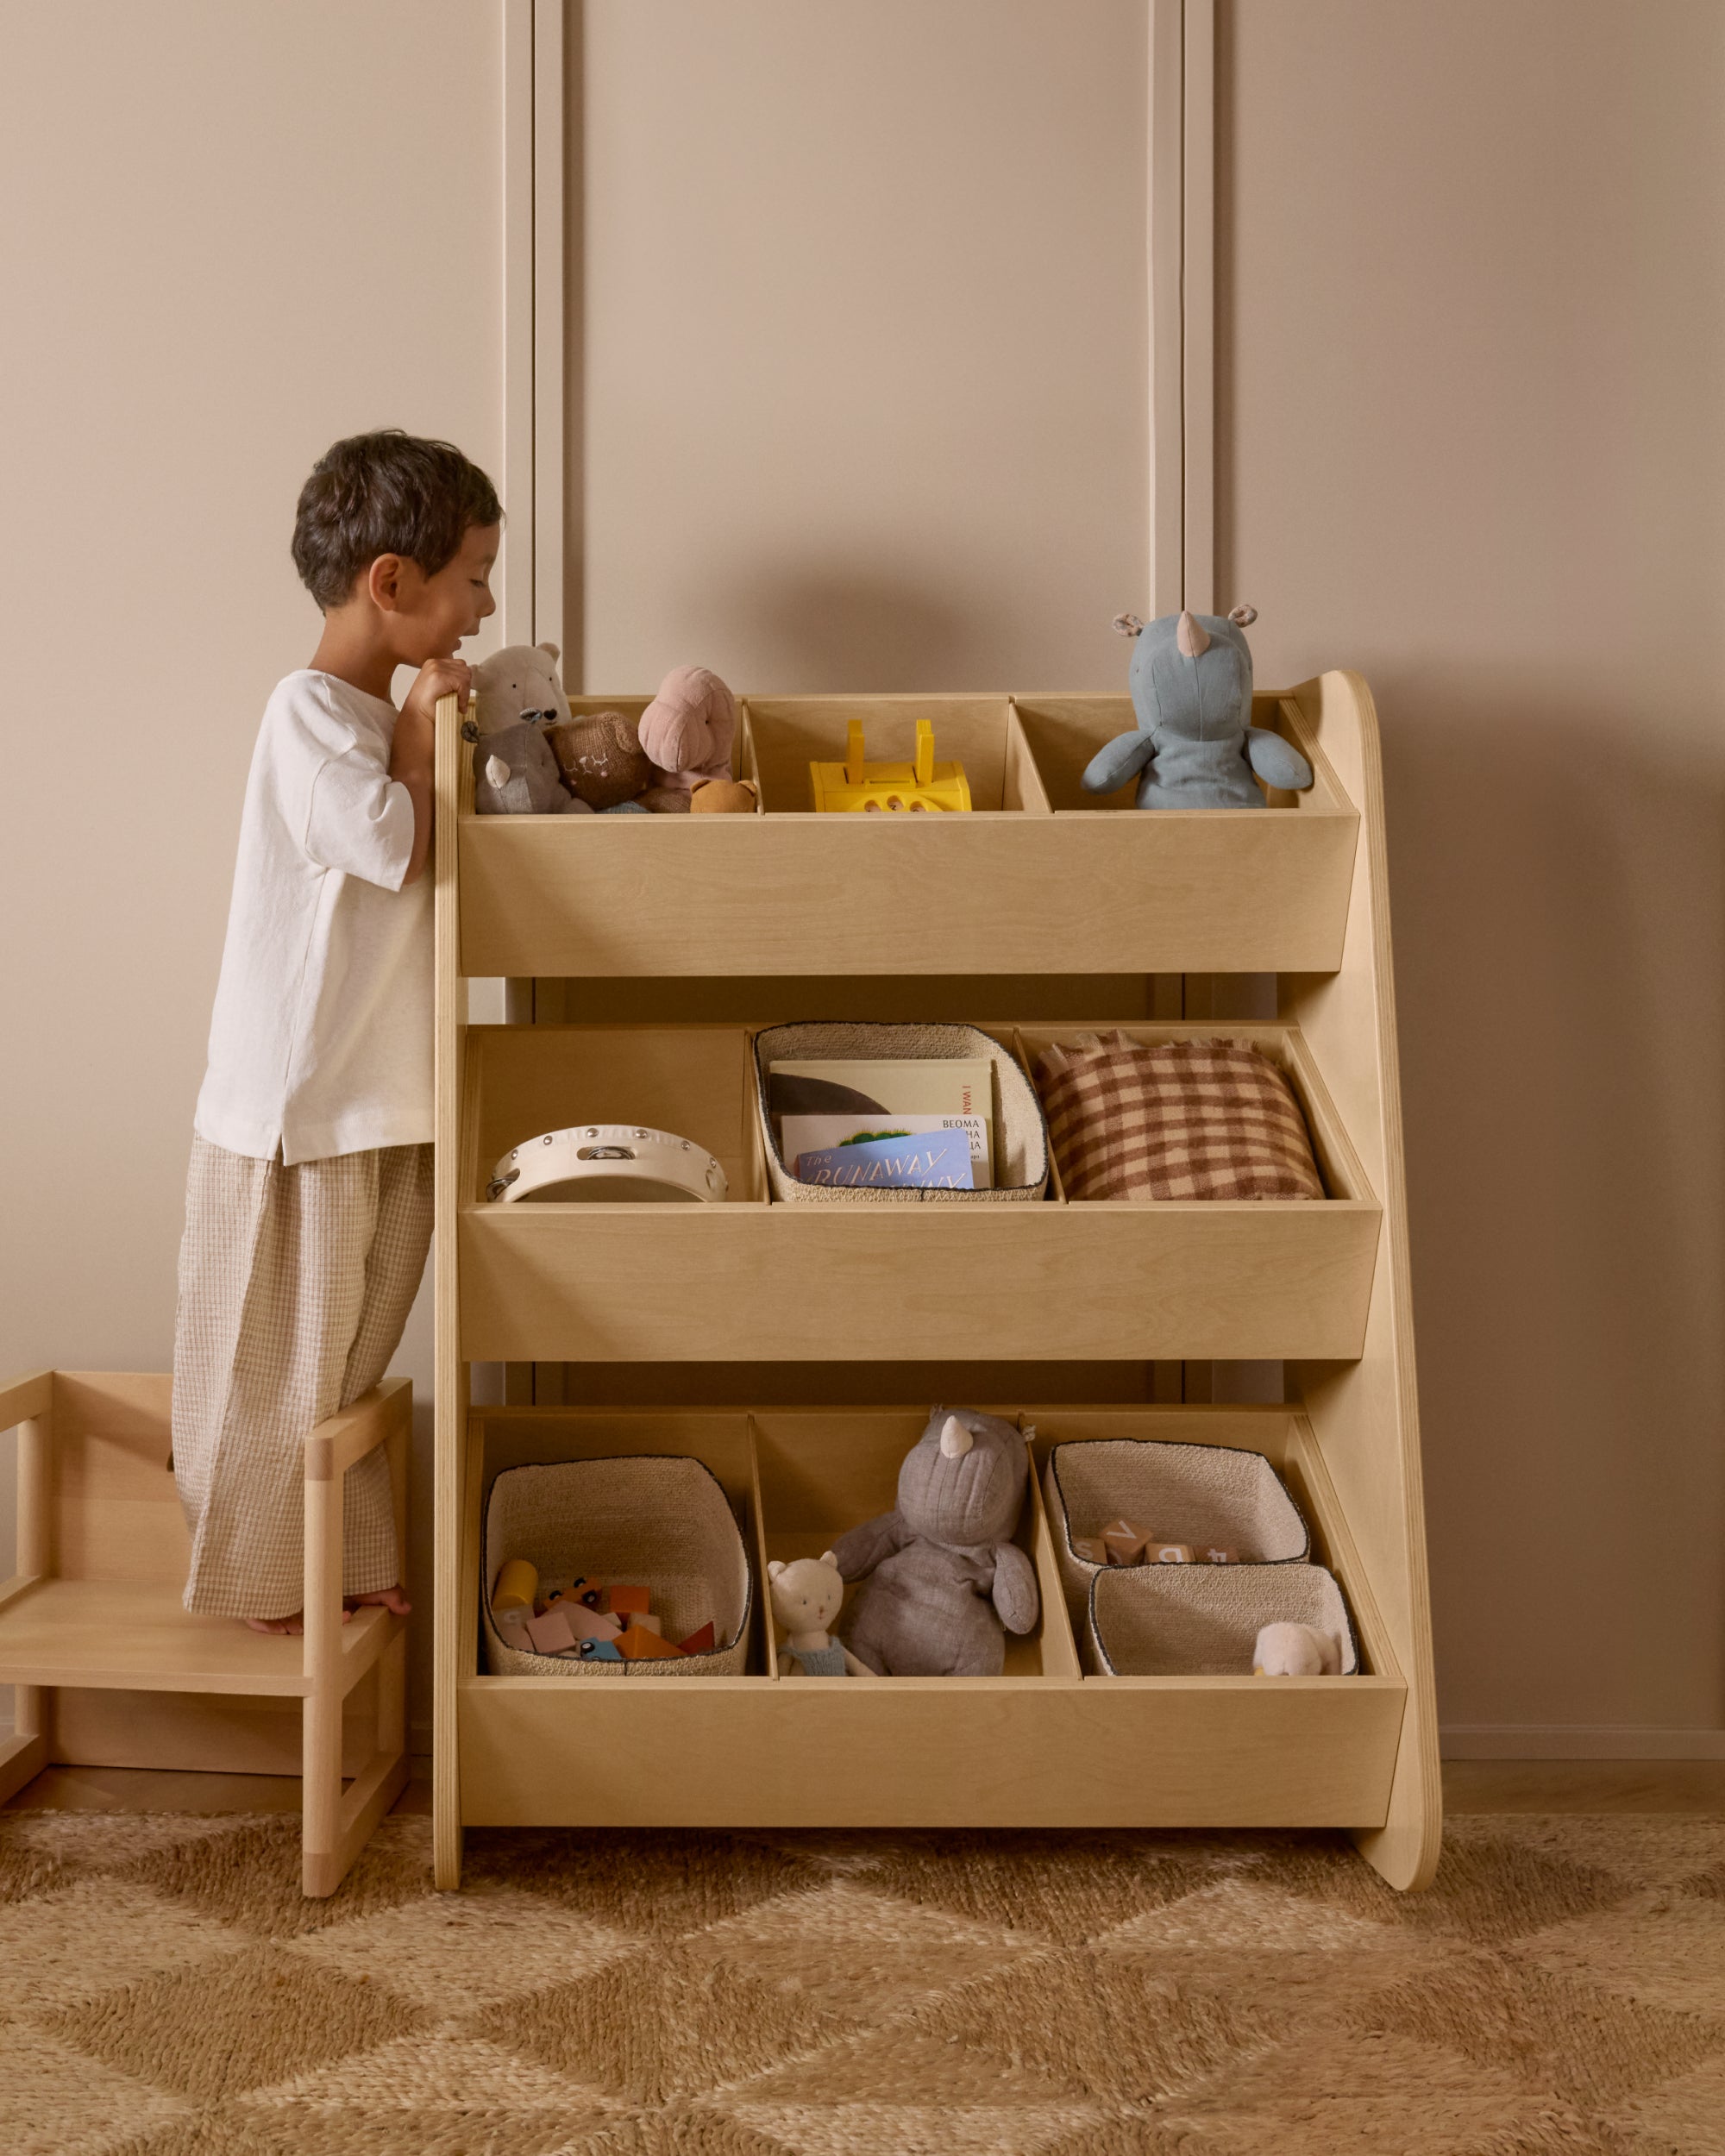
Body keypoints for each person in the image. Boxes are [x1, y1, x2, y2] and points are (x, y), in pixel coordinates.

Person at [172, 429, 499, 1634]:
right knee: (275, 1365)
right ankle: (262, 1574)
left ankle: (340, 1557)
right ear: (392, 583)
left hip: (379, 1097)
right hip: (294, 1113)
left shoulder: (383, 720)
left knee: (351, 1365)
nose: (484, 602)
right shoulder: (309, 712)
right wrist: (419, 738)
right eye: (471, 574)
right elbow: (392, 845)